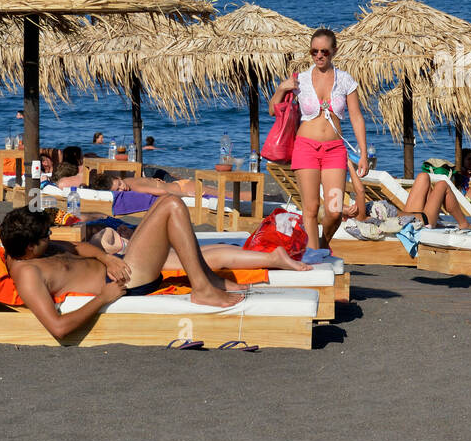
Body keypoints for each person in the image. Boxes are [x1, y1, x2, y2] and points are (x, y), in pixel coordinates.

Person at [0, 199, 242, 341]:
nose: (50, 236)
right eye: (46, 235)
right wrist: (103, 298)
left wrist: (106, 258)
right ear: (29, 247)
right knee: (172, 205)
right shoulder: (28, 275)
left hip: (119, 266)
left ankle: (207, 279)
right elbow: (58, 328)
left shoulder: (34, 248)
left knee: (162, 202)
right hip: (128, 281)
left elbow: (78, 248)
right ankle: (202, 288)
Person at [270, 28, 369, 251]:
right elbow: (273, 110)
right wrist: (280, 89)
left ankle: (322, 246)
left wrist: (363, 153)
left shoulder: (345, 80)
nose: (319, 56)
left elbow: (356, 116)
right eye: (314, 51)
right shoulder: (300, 80)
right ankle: (314, 259)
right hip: (305, 148)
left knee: (334, 211)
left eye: (324, 51)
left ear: (334, 50)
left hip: (334, 150)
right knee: (311, 209)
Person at [91, 222, 310, 274]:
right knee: (194, 255)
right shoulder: (99, 237)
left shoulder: (97, 238)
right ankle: (270, 258)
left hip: (136, 257)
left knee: (196, 259)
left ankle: (273, 259)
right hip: (137, 254)